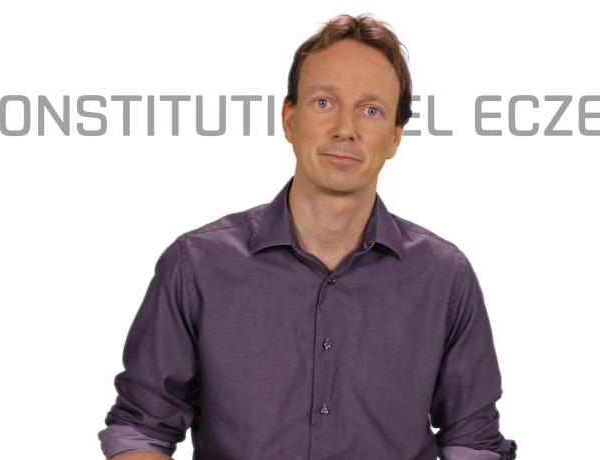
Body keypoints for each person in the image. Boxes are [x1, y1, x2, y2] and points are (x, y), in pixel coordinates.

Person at [98, 13, 517, 460]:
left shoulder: (445, 279)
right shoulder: (195, 267)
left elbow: (472, 441)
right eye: (323, 102)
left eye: (371, 110)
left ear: (395, 136)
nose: (345, 129)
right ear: (290, 118)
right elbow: (141, 429)